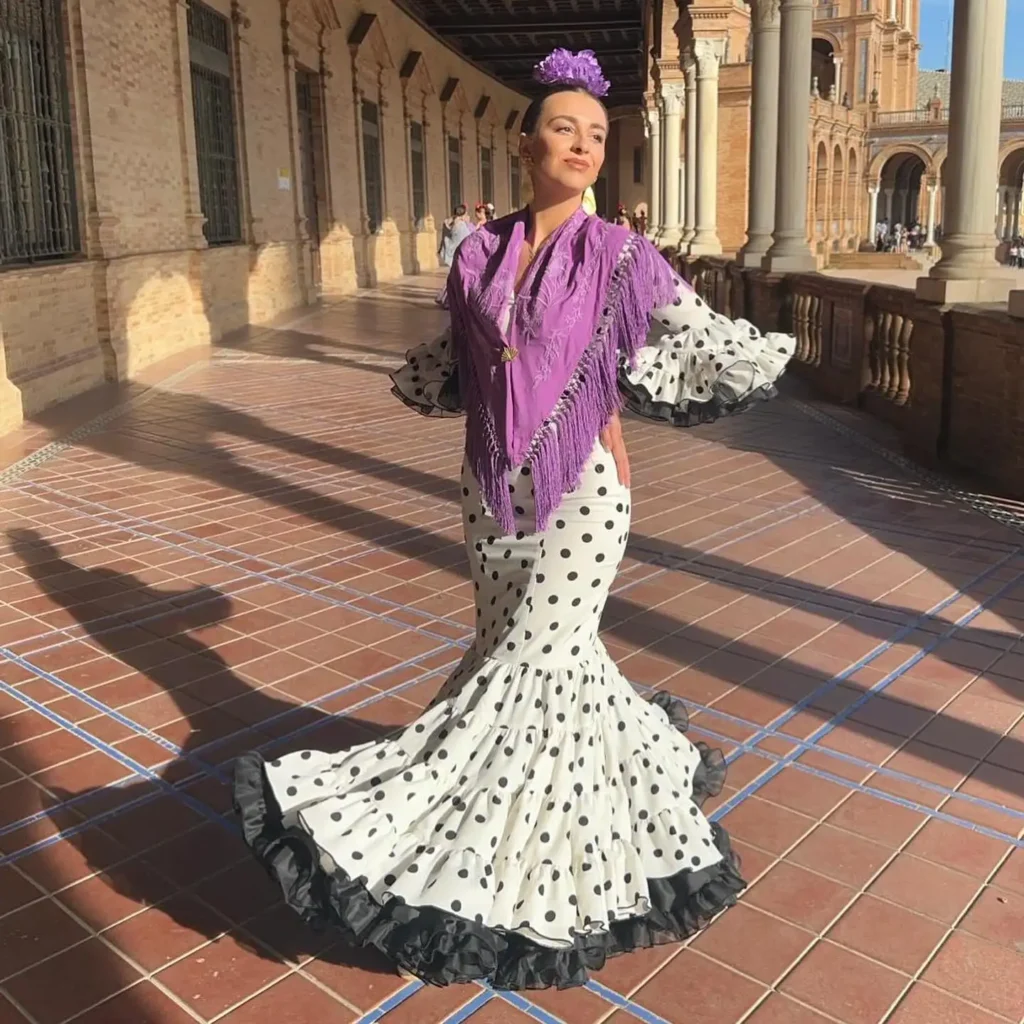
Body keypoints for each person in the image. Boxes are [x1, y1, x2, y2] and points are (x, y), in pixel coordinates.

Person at [234, 48, 795, 990]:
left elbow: (652, 348)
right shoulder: (477, 254)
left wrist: (611, 429)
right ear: (525, 139)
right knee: (519, 659)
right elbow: (475, 362)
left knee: (532, 663)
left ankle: (507, 872)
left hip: (582, 497)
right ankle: (594, 793)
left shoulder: (623, 254)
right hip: (490, 494)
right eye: (565, 129)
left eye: (598, 136)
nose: (583, 146)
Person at [438, 204, 473, 268]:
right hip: (460, 254)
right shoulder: (461, 225)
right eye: (466, 214)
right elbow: (469, 238)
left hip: (450, 252)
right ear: (463, 215)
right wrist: (468, 224)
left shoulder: (448, 222)